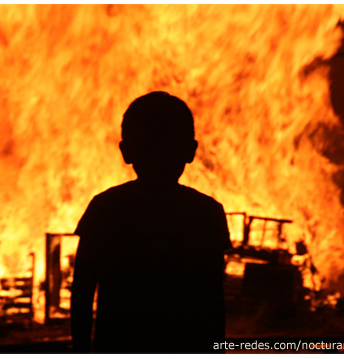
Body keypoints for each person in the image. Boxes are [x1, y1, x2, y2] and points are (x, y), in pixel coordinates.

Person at [70, 91, 232, 353]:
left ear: (126, 151)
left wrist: (81, 351)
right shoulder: (206, 213)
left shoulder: (105, 208)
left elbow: (82, 295)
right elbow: (213, 301)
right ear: (191, 151)